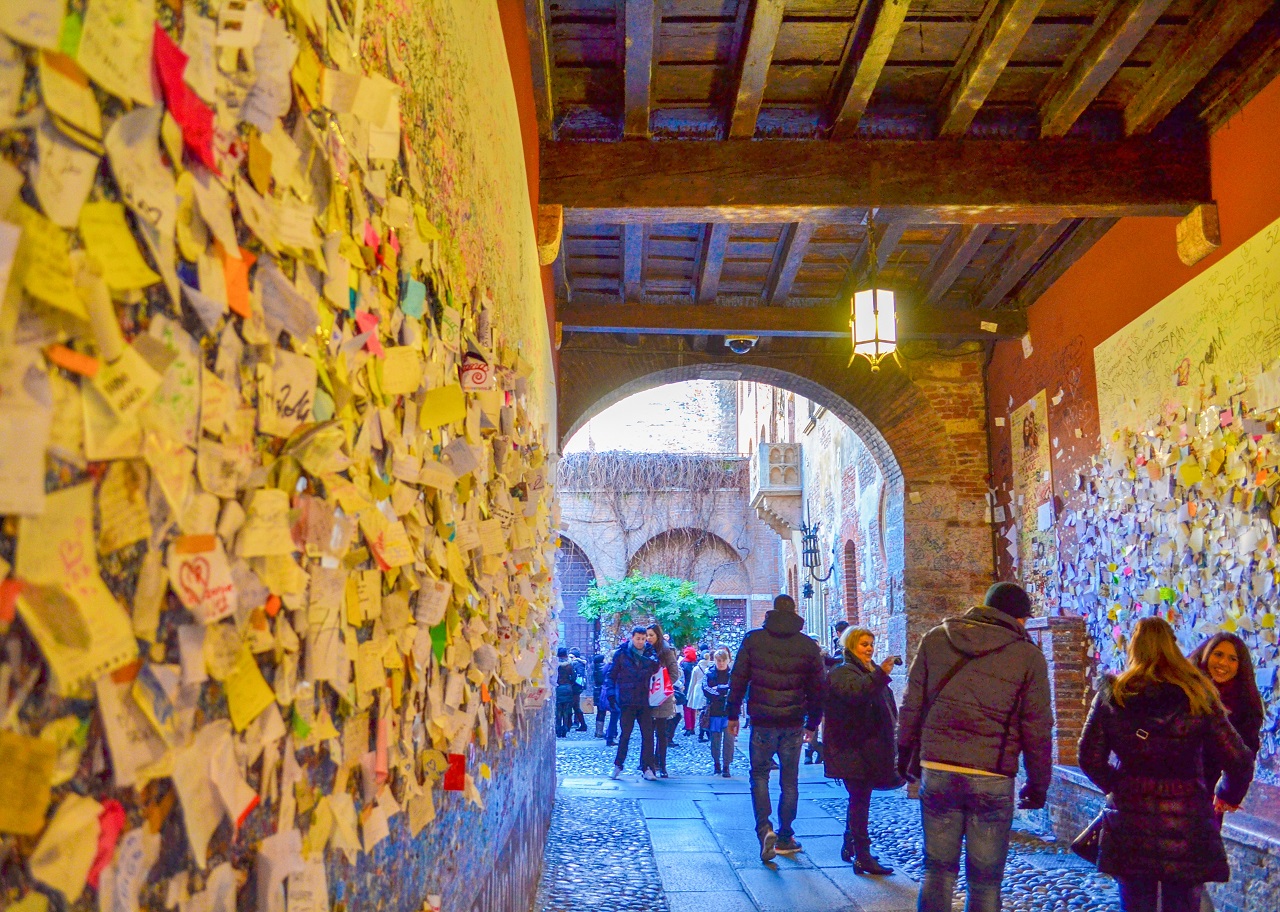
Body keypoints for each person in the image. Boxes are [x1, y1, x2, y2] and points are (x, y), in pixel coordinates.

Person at [896, 582, 1053, 912]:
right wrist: (1038, 784)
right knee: (985, 880)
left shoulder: (937, 638)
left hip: (938, 767)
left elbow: (912, 702)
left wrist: (904, 752)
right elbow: (1037, 728)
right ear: (1018, 618)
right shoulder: (1028, 656)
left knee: (936, 871)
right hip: (992, 773)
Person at [1079, 618, 1253, 912]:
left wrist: (1122, 787)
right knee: (1183, 903)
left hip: (1130, 820)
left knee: (1136, 903)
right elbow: (1239, 759)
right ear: (1172, 647)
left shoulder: (1113, 696)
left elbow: (1089, 758)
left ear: (1134, 647)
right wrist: (1227, 795)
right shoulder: (1198, 695)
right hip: (1187, 818)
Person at [727, 594, 825, 862]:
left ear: (772, 611)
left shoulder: (753, 639)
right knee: (789, 781)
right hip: (793, 722)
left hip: (762, 720)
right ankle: (785, 835)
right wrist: (813, 722)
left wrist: (732, 714)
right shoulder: (807, 645)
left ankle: (764, 829)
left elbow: (738, 678)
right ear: (794, 612)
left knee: (759, 776)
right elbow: (818, 688)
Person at [1188, 633, 1264, 912]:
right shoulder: (1182, 689)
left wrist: (1228, 794)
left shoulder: (1244, 703)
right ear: (1206, 655)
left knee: (1192, 873)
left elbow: (1245, 756)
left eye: (1233, 658)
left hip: (1205, 799)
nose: (1224, 663)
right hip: (1166, 790)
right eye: (1218, 654)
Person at [825, 626, 901, 875]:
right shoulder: (843, 672)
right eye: (863, 644)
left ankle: (851, 845)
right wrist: (881, 673)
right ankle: (863, 856)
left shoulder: (866, 670)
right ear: (851, 646)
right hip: (852, 748)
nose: (869, 649)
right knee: (860, 801)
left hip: (866, 748)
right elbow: (857, 693)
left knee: (859, 799)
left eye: (871, 644)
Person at [608, 627, 660, 779]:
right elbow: (612, 674)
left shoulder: (650, 654)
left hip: (644, 699)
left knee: (648, 735)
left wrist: (652, 660)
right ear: (632, 638)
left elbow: (656, 670)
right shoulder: (622, 654)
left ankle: (647, 767)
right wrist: (611, 693)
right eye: (638, 638)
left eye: (643, 639)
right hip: (627, 699)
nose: (640, 642)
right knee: (625, 734)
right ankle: (618, 765)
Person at [647, 623, 682, 779]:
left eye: (651, 635)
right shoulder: (644, 651)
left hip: (662, 698)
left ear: (658, 636)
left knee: (661, 733)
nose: (648, 638)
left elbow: (675, 673)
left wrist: (662, 686)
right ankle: (648, 764)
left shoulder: (666, 651)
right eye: (647, 635)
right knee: (647, 734)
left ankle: (662, 764)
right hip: (646, 698)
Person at [703, 647, 734, 776]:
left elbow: (735, 689)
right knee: (715, 740)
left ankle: (726, 765)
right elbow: (706, 689)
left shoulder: (732, 674)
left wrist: (719, 689)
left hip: (729, 712)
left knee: (729, 741)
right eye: (718, 660)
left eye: (723, 660)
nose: (721, 663)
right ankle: (717, 763)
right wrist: (723, 693)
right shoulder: (709, 674)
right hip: (715, 711)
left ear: (727, 660)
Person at [554, 647, 579, 738]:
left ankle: (558, 728)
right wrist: (570, 683)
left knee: (558, 710)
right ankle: (565, 728)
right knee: (566, 710)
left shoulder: (555, 665)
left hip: (558, 688)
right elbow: (574, 677)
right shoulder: (569, 665)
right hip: (568, 688)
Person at [688, 649, 711, 742]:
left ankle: (702, 733)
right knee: (706, 712)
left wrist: (689, 696)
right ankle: (705, 733)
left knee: (701, 713)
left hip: (697, 690)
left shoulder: (697, 668)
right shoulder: (710, 667)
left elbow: (692, 683)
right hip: (707, 690)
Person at [591, 648, 610, 739]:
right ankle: (607, 731)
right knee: (608, 711)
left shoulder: (594, 668)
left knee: (600, 712)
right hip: (603, 692)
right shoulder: (603, 668)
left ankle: (598, 731)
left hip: (597, 691)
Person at [680, 646, 699, 736]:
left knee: (687, 709)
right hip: (695, 688)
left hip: (686, 687)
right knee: (693, 708)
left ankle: (688, 727)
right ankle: (693, 727)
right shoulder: (696, 663)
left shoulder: (683, 664)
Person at [569, 648, 588, 731]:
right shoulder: (579, 663)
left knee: (575, 706)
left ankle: (581, 724)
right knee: (575, 705)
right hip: (576, 687)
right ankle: (579, 724)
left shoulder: (577, 664)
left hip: (575, 687)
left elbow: (576, 676)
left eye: (571, 656)